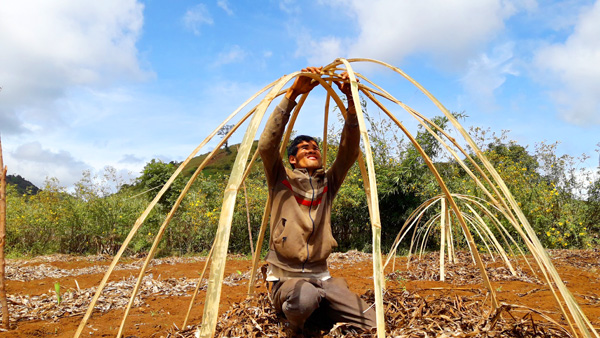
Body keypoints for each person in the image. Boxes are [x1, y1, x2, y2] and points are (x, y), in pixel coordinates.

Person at [258, 67, 376, 336]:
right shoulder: (280, 179)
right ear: (291, 159)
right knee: (303, 299)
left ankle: (325, 303)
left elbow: (348, 152)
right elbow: (266, 145)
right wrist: (291, 96)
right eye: (304, 148)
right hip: (287, 278)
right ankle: (296, 326)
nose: (312, 150)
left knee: (372, 322)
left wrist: (351, 104)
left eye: (316, 148)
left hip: (321, 276)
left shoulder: (327, 184)